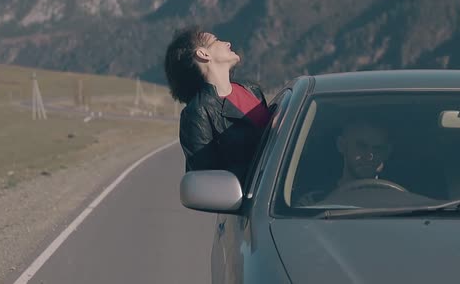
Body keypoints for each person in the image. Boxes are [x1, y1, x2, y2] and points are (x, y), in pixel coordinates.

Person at [164, 26, 270, 184]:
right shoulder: (197, 113)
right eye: (217, 41)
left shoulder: (252, 90)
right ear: (203, 54)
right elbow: (208, 182)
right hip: (258, 201)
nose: (227, 43)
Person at [295, 119, 393, 205]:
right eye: (362, 146)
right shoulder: (314, 203)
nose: (370, 156)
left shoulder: (400, 204)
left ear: (387, 152)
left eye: (378, 148)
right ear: (341, 145)